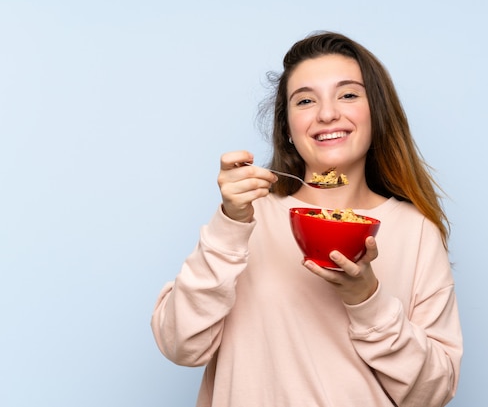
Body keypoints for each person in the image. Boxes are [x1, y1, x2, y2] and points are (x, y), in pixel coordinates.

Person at [151, 31, 462, 407]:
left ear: (376, 113)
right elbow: (180, 345)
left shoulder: (415, 232)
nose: (327, 113)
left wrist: (367, 300)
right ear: (287, 127)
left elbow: (433, 392)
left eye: (348, 94)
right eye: (305, 100)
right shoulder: (248, 218)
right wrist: (230, 225)